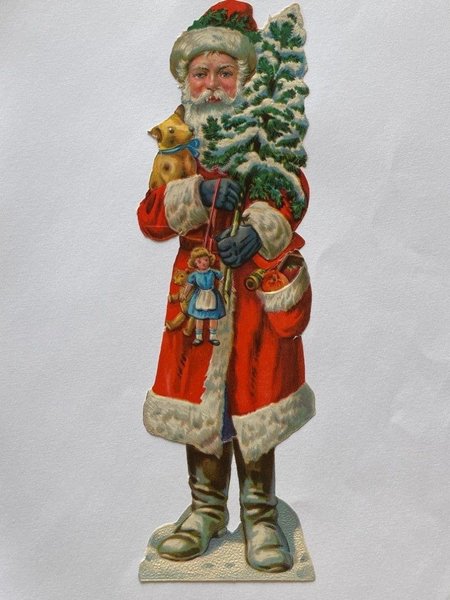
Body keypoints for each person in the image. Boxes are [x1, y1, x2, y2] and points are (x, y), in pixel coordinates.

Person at [137, 0, 315, 573]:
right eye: (200, 73)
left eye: (223, 72)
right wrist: (195, 195)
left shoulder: (266, 131)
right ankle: (206, 509)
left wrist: (259, 228)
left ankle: (260, 516)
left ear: (244, 77)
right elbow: (151, 218)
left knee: (255, 400)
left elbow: (293, 193)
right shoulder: (178, 143)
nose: (212, 85)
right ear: (185, 80)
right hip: (199, 301)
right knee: (202, 409)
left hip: (255, 293)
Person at [184, 246, 226, 346]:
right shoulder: (194, 275)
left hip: (212, 296)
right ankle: (198, 337)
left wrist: (228, 287)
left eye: (206, 260)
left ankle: (213, 337)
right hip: (200, 297)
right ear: (195, 263)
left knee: (213, 317)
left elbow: (223, 280)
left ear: (209, 260)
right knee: (199, 317)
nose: (203, 263)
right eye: (199, 261)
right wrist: (184, 294)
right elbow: (189, 286)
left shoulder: (213, 272)